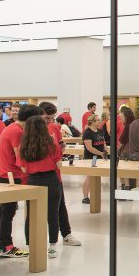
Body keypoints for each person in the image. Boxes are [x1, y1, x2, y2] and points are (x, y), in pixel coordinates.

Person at [0, 104, 42, 258]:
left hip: (4, 174)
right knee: (7, 211)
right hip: (9, 176)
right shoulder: (17, 131)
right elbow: (20, 157)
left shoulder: (13, 128)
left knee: (4, 211)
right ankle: (6, 246)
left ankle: (1, 244)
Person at [18, 114, 63, 259]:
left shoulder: (24, 146)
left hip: (32, 181)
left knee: (31, 215)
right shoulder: (52, 143)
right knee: (53, 214)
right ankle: (52, 247)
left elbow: (23, 169)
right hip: (51, 179)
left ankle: (31, 246)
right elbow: (59, 165)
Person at [39, 101, 81, 247]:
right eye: (47, 118)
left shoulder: (54, 127)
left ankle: (66, 234)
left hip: (54, 173)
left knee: (60, 205)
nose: (50, 121)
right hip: (37, 174)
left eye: (52, 118)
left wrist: (57, 153)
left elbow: (61, 145)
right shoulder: (32, 129)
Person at [81, 114, 107, 204]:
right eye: (98, 120)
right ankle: (85, 197)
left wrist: (105, 150)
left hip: (99, 157)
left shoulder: (100, 131)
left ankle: (95, 195)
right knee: (89, 176)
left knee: (97, 176)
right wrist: (101, 153)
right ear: (92, 122)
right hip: (91, 158)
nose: (100, 121)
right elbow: (89, 148)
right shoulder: (87, 133)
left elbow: (103, 142)